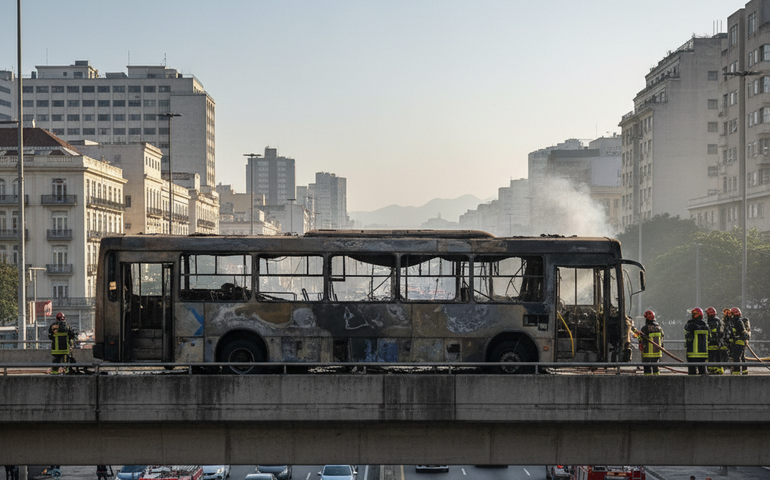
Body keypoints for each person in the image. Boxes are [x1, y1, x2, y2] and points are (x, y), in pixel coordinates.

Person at [685, 307, 709, 375]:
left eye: (696, 314)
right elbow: (687, 333)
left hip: (699, 352)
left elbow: (707, 333)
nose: (694, 316)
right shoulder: (689, 324)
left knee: (702, 373)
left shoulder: (703, 325)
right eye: (693, 314)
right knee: (693, 373)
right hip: (693, 352)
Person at [639, 310, 664, 375]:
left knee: (647, 369)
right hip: (657, 353)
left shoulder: (645, 328)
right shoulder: (659, 328)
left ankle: (648, 382)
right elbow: (662, 338)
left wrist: (636, 335)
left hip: (647, 353)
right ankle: (657, 380)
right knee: (656, 368)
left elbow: (641, 339)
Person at [728, 307, 750, 375]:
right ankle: (744, 371)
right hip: (738, 342)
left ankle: (737, 372)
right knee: (741, 357)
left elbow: (743, 333)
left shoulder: (738, 322)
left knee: (736, 357)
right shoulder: (734, 322)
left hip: (739, 342)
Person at [705, 307, 726, 374]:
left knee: (712, 357)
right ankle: (718, 370)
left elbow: (719, 333)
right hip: (717, 344)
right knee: (717, 357)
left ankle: (712, 370)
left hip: (712, 344)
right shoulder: (718, 321)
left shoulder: (710, 322)